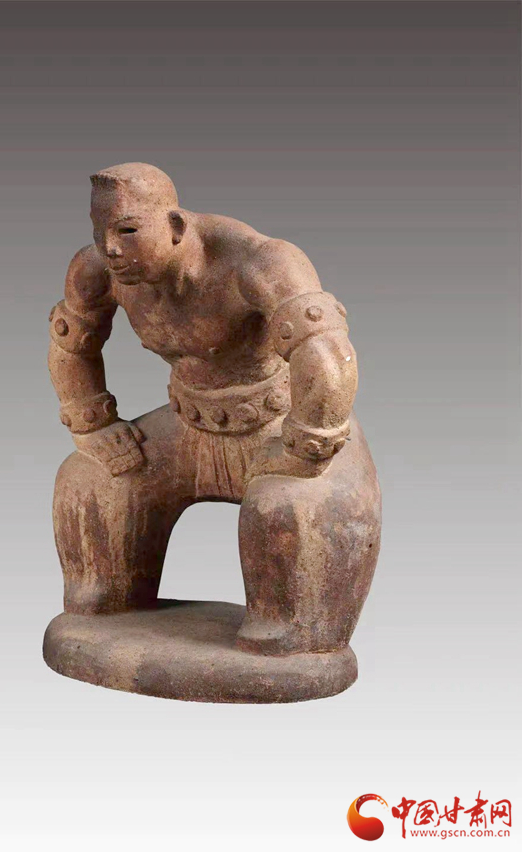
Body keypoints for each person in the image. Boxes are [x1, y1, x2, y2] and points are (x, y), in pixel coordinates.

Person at [48, 163, 381, 656]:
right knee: (90, 480)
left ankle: (291, 633)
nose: (111, 248)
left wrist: (306, 446)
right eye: (101, 233)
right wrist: (93, 426)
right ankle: (109, 600)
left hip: (277, 426)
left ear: (175, 226)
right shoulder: (99, 271)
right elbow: (71, 346)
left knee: (286, 512)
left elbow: (326, 355)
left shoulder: (257, 263)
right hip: (185, 425)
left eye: (128, 231)